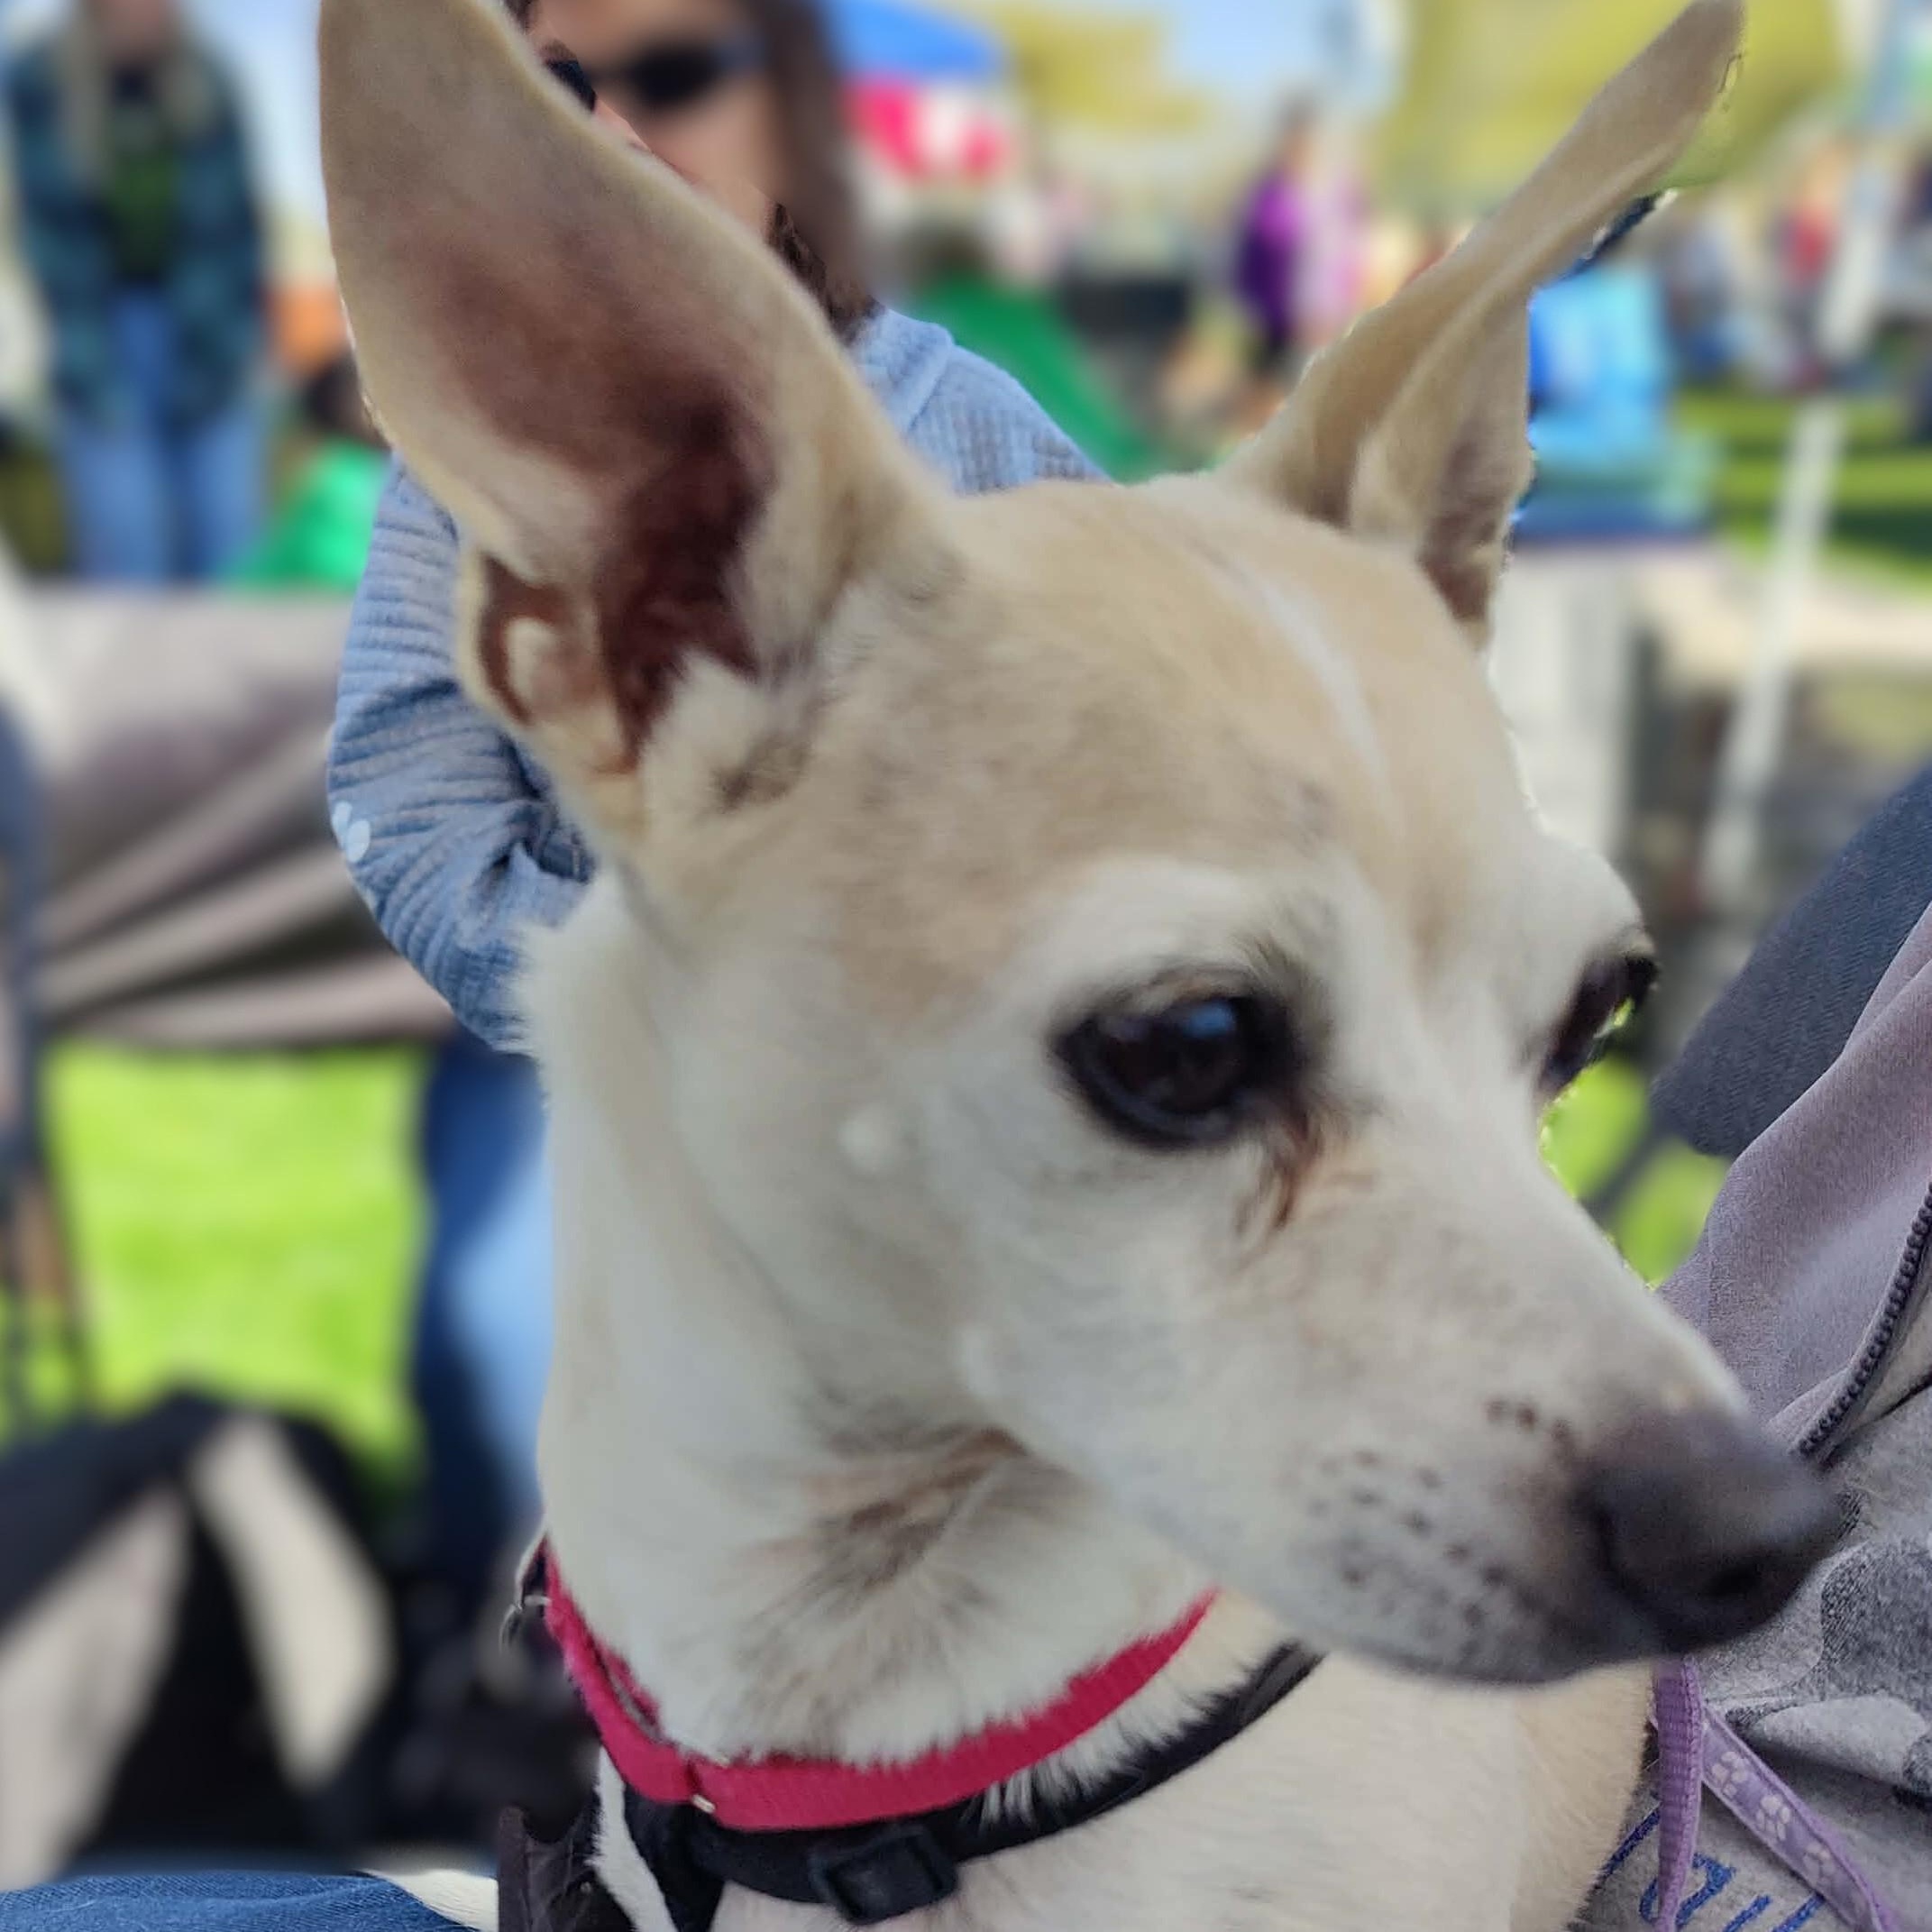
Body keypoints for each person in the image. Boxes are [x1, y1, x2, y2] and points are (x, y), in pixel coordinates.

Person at [327, 0, 1099, 1616]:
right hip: (588, 1058)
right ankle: (525, 1702)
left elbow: (1115, 737)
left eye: (672, 76)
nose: (606, 136)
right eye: (554, 88)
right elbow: (407, 787)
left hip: (927, 1067)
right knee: (502, 1331)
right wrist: (641, 997)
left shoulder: (964, 420)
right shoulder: (472, 448)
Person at [5, 0, 268, 582]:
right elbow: (52, 244)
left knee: (229, 549)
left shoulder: (208, 77)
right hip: (95, 331)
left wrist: (232, 351)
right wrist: (94, 377)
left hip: (206, 327)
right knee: (128, 543)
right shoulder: (39, 80)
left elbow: (238, 233)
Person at [1234, 105, 1315, 399]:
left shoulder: (1315, 192)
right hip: (1273, 313)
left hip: (1308, 315)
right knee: (1265, 388)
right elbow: (1253, 251)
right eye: (1294, 142)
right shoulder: (1268, 193)